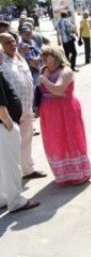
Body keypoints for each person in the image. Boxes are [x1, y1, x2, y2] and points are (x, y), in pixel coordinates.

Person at [36, 45, 91, 186]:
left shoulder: (66, 71)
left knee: (71, 138)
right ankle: (63, 176)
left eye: (46, 55)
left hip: (66, 110)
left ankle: (79, 174)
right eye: (42, 55)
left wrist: (44, 80)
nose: (43, 58)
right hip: (49, 113)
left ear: (55, 56)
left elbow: (58, 88)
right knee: (55, 141)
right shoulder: (45, 70)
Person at [0, 33, 46, 180]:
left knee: (27, 139)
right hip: (11, 112)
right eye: (7, 43)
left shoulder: (20, 57)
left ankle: (27, 170)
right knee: (11, 145)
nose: (12, 45)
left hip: (27, 108)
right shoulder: (1, 62)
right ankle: (11, 179)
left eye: (13, 41)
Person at [0, 71, 40, 213]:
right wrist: (8, 123)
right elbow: (1, 104)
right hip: (4, 127)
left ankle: (3, 198)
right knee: (11, 166)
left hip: (3, 126)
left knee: (3, 166)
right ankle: (15, 201)